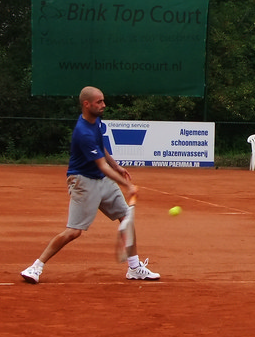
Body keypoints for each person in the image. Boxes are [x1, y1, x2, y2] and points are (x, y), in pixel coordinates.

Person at [21, 86, 160, 283]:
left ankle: (135, 268)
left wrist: (117, 166)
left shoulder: (96, 122)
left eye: (103, 100)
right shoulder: (83, 132)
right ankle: (36, 267)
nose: (104, 105)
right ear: (87, 104)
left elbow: (101, 147)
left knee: (126, 218)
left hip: (102, 179)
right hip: (83, 181)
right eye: (99, 102)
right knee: (74, 231)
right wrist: (127, 185)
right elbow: (101, 165)